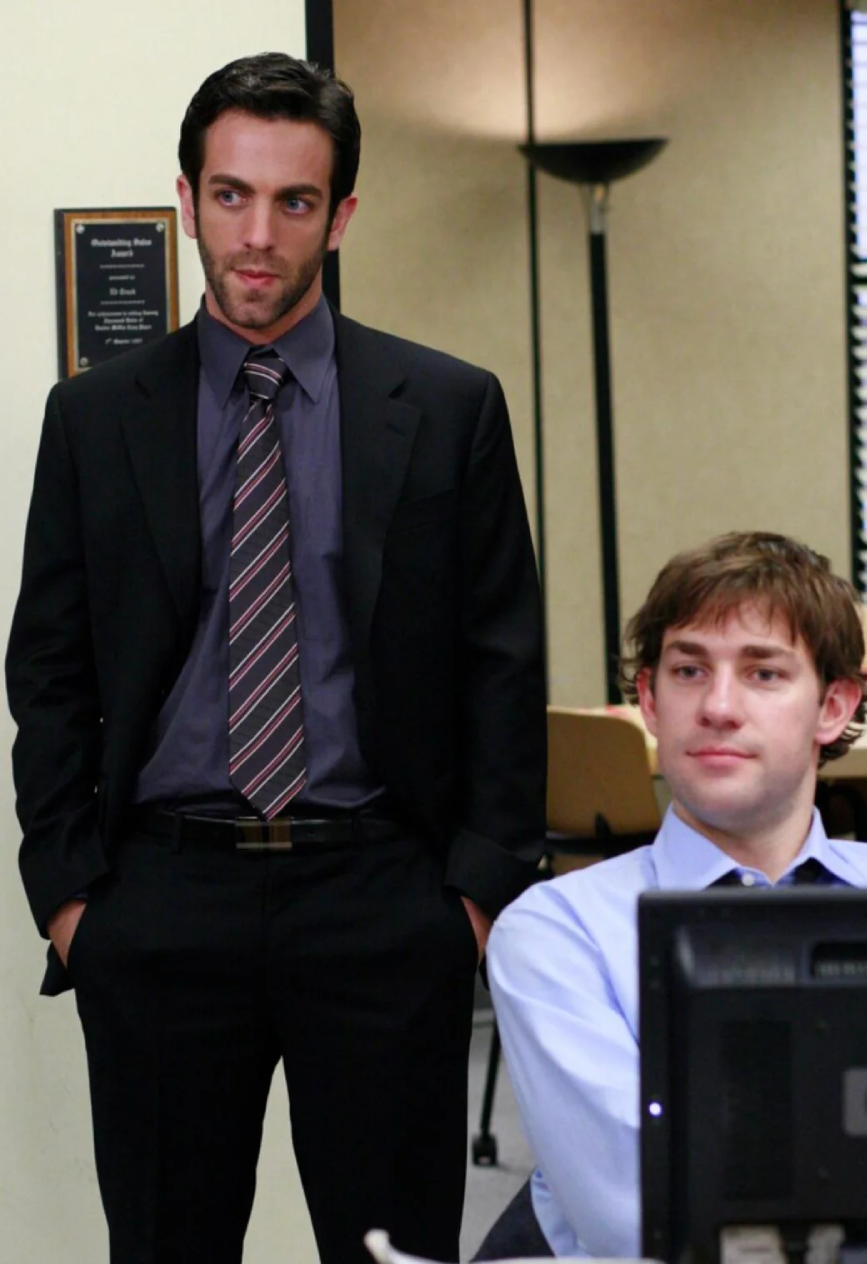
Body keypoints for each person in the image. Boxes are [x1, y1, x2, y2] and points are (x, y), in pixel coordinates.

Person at [6, 53, 546, 1264]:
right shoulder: (94, 417)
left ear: (341, 214)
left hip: (381, 905)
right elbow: (47, 670)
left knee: (388, 1250)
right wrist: (72, 898)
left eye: (294, 202)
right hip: (158, 907)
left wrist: (466, 899)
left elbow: (499, 661)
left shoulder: (449, 406)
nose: (259, 235)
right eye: (233, 195)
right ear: (189, 197)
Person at [486, 530, 867, 1260]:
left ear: (833, 707)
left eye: (764, 674)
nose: (717, 707)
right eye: (687, 670)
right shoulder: (558, 931)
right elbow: (640, 1217)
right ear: (649, 698)